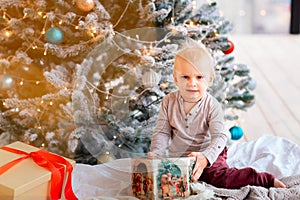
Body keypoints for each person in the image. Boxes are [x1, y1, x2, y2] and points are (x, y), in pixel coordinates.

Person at [148, 39, 286, 189]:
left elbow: (220, 136)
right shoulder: (169, 101)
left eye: (199, 77)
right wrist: (157, 153)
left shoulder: (211, 105)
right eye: (185, 77)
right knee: (163, 181)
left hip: (210, 152)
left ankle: (260, 178)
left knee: (220, 179)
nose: (192, 83)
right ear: (175, 79)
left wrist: (206, 158)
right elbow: (162, 131)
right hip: (182, 157)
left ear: (210, 79)